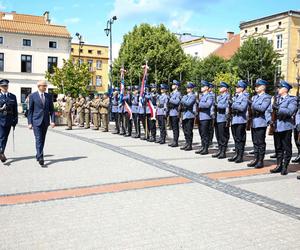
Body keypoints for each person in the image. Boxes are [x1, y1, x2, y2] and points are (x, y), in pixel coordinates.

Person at [270, 80, 297, 175]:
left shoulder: (292, 99)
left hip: (286, 126)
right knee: (278, 147)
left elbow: (290, 111)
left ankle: (285, 166)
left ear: (285, 89)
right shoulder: (276, 99)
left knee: (287, 147)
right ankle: (279, 165)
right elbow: (270, 110)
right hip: (276, 126)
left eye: (280, 87)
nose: (278, 89)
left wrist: (279, 108)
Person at [27, 80, 55, 167]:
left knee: (42, 139)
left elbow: (52, 110)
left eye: (46, 86)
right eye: (44, 86)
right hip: (36, 121)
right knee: (38, 139)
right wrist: (29, 122)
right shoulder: (32, 96)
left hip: (45, 121)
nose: (45, 87)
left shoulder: (48, 96)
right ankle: (41, 157)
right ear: (39, 86)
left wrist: (53, 121)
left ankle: (38, 154)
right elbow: (30, 111)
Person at [247, 79, 272, 169]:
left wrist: (252, 104)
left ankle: (261, 160)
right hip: (254, 121)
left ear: (263, 87)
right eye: (256, 86)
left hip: (261, 122)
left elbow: (262, 108)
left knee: (260, 142)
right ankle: (256, 159)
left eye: (258, 86)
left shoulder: (267, 97)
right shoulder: (254, 97)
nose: (256, 87)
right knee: (255, 142)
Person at [228, 80, 249, 163]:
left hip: (241, 120)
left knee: (240, 139)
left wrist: (233, 104)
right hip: (234, 120)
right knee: (236, 138)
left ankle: (240, 156)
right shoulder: (235, 96)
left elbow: (242, 107)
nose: (236, 88)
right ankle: (236, 154)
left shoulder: (244, 97)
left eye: (238, 87)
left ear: (242, 88)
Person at [0, 79, 18, 163]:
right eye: (3, 86)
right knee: (2, 137)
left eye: (6, 86)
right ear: (0, 87)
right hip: (0, 120)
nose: (5, 87)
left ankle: (1, 152)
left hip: (9, 120)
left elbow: (15, 110)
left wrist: (15, 120)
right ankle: (1, 152)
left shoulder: (12, 96)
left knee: (5, 137)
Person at [212, 82, 230, 159]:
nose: (219, 88)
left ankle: (223, 151)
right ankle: (220, 150)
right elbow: (213, 106)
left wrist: (217, 105)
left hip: (223, 118)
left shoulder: (228, 96)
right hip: (217, 118)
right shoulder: (218, 97)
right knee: (218, 135)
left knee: (223, 136)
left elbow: (226, 106)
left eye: (221, 87)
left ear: (225, 88)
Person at [195, 80, 214, 155]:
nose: (201, 88)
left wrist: (199, 103)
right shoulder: (202, 96)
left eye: (203, 86)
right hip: (200, 117)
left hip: (206, 117)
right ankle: (203, 147)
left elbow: (207, 105)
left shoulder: (209, 96)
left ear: (206, 88)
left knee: (205, 133)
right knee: (201, 133)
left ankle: (206, 148)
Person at [180, 82, 196, 151]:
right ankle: (186, 143)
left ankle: (189, 144)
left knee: (189, 130)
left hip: (190, 115)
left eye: (189, 88)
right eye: (187, 87)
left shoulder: (192, 96)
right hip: (184, 114)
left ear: (192, 89)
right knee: (185, 130)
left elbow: (188, 104)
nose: (187, 89)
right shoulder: (186, 96)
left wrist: (182, 99)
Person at [168, 80, 181, 147]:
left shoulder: (178, 93)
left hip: (175, 112)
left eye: (173, 84)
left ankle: (176, 141)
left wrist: (170, 99)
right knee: (173, 127)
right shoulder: (171, 93)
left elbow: (177, 102)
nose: (172, 85)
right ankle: (174, 140)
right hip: (171, 112)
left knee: (175, 128)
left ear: (177, 86)